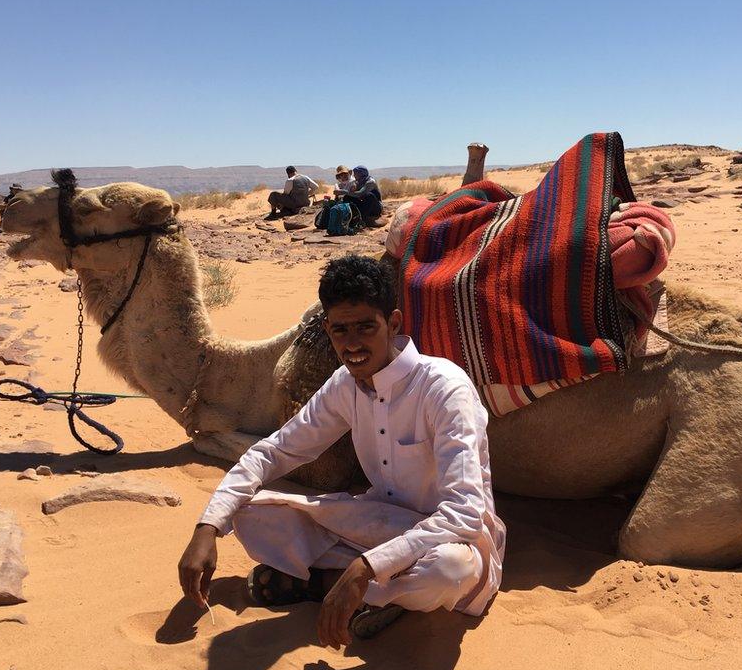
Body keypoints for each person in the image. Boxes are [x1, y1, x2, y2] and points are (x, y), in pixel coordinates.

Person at [177, 255, 505, 647]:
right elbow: (274, 452)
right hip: (379, 524)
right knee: (250, 513)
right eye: (340, 331)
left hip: (449, 539)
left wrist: (367, 566)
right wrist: (207, 527)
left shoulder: (443, 388)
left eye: (366, 327)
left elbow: (465, 512)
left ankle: (330, 582)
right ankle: (366, 591)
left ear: (394, 323)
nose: (351, 345)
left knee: (447, 571)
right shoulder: (345, 385)